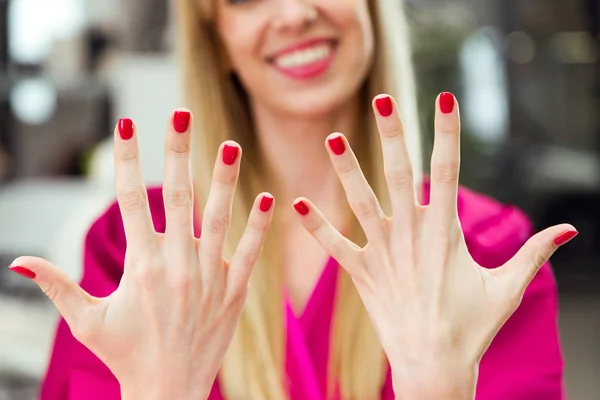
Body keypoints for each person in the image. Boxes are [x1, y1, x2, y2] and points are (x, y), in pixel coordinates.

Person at [8, 0, 577, 399]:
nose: (293, 13)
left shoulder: (482, 250)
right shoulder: (138, 251)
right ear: (217, 40)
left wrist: (439, 391)